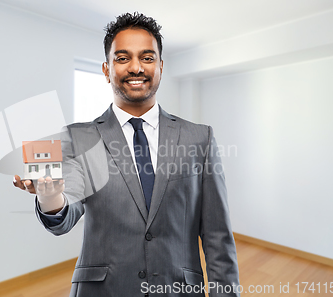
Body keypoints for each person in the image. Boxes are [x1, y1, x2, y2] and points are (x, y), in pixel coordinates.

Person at [14, 12, 240, 297]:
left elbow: (218, 237)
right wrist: (49, 196)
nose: (136, 67)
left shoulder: (200, 138)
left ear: (160, 66)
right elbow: (66, 212)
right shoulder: (80, 137)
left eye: (147, 58)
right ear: (107, 70)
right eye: (122, 58)